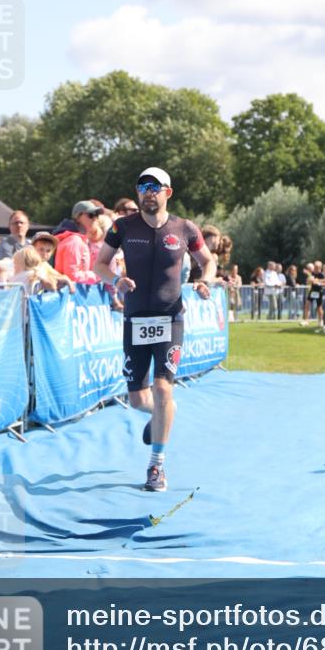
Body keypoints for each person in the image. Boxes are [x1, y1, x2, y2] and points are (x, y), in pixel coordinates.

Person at [94, 166, 215, 492]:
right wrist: (115, 280)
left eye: (155, 186)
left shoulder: (185, 228)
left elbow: (208, 260)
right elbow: (99, 264)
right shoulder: (122, 227)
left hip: (170, 317)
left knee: (163, 389)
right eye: (143, 186)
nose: (149, 191)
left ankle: (156, 467)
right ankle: (161, 414)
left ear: (168, 192)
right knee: (137, 400)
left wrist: (205, 281)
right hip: (135, 319)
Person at [54, 201, 99, 284]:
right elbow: (72, 276)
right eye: (91, 215)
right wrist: (95, 276)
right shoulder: (74, 241)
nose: (95, 218)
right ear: (78, 218)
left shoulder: (79, 240)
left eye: (96, 215)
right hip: (68, 294)